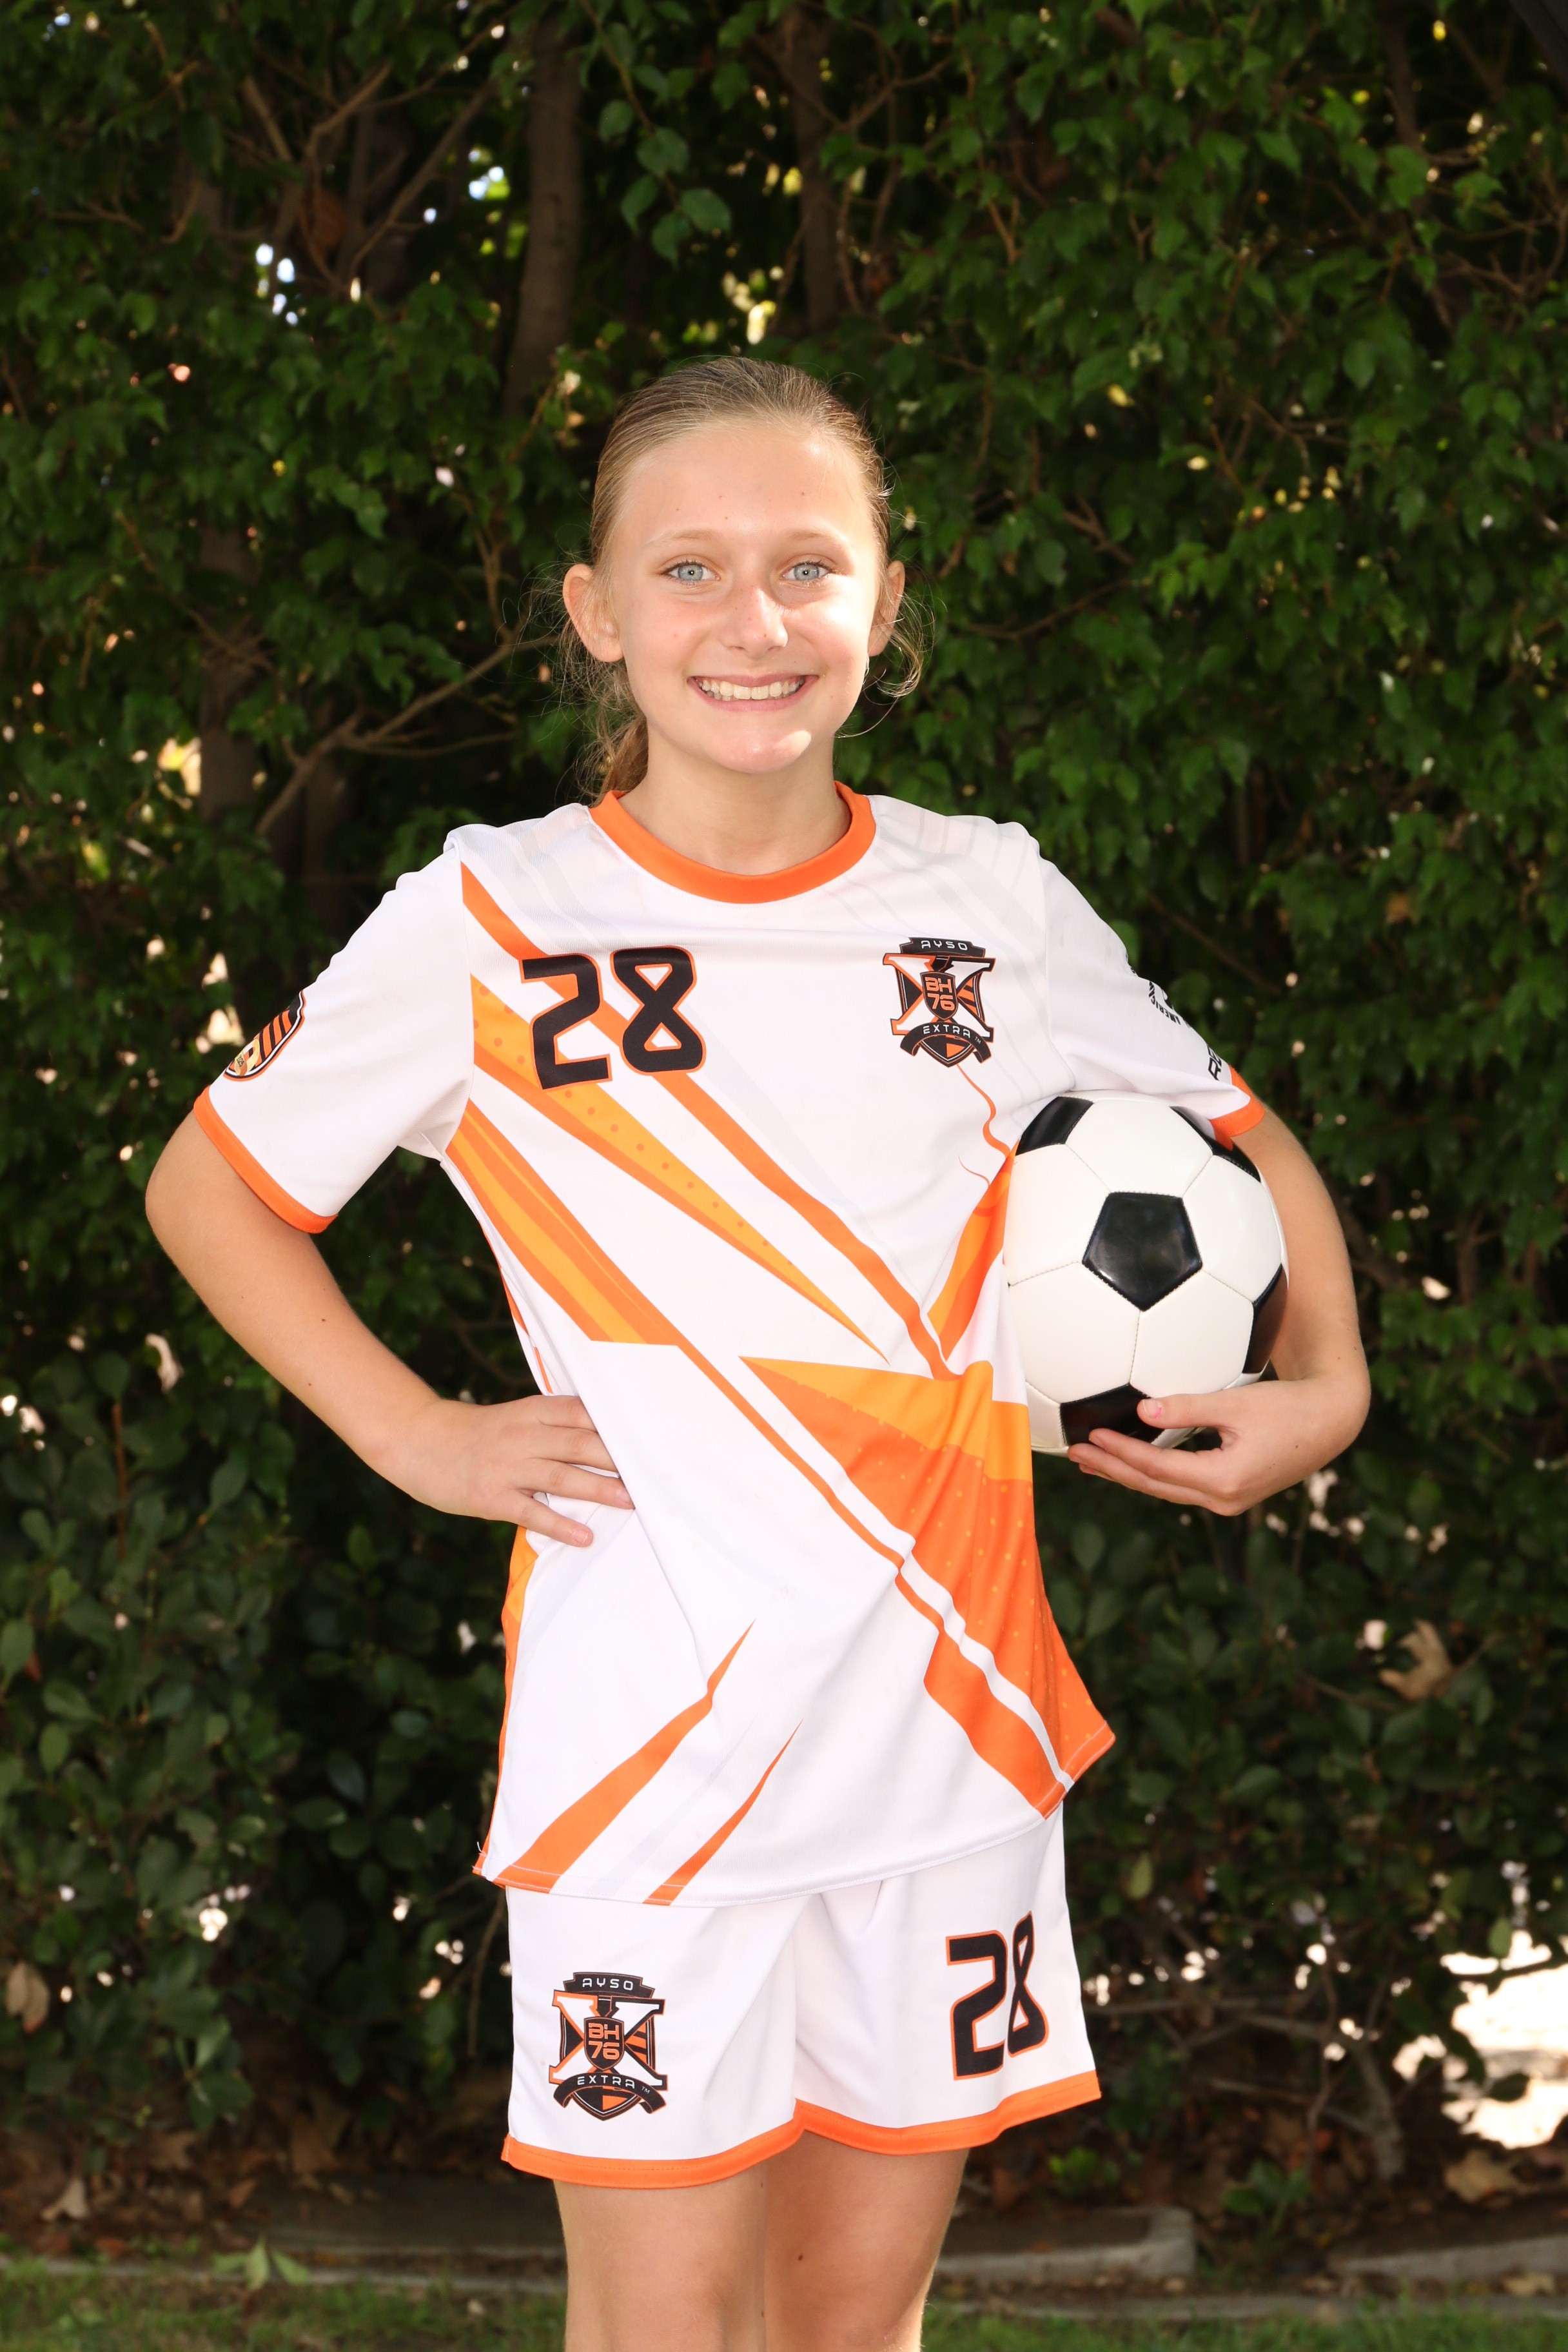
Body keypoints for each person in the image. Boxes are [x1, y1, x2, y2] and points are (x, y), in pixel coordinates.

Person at [146, 357, 1369, 2351]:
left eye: (808, 564)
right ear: (595, 611)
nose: (754, 618)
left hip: (949, 1729)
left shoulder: (986, 898)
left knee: (856, 2328)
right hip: (652, 1757)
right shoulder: (494, 916)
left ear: (886, 600)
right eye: (690, 566)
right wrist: (418, 1436)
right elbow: (213, 1185)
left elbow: (1244, 1135)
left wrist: (1332, 1382)